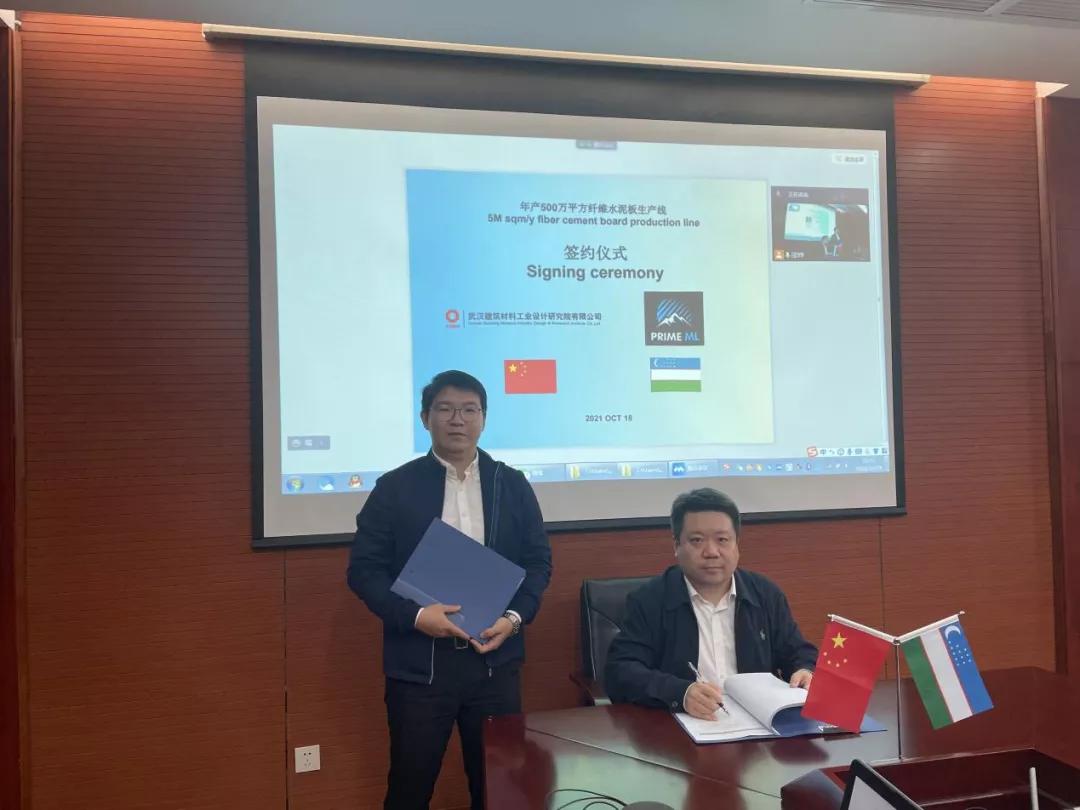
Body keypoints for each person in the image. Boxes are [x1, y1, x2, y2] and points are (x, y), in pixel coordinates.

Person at [347, 370, 552, 810]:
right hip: (420, 667)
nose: (457, 419)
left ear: (483, 418)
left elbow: (538, 563)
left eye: (469, 410)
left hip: (494, 662)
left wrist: (514, 619)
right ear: (425, 418)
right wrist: (417, 616)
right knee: (409, 789)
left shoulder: (510, 484)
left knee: (500, 790)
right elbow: (364, 571)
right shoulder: (395, 488)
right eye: (445, 409)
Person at [604, 488, 816, 720]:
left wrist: (805, 670)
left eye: (722, 540)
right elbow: (621, 672)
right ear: (676, 546)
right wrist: (680, 693)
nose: (711, 552)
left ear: (737, 545)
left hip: (759, 724)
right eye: (697, 540)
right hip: (681, 726)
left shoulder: (765, 594)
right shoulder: (649, 600)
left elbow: (799, 652)